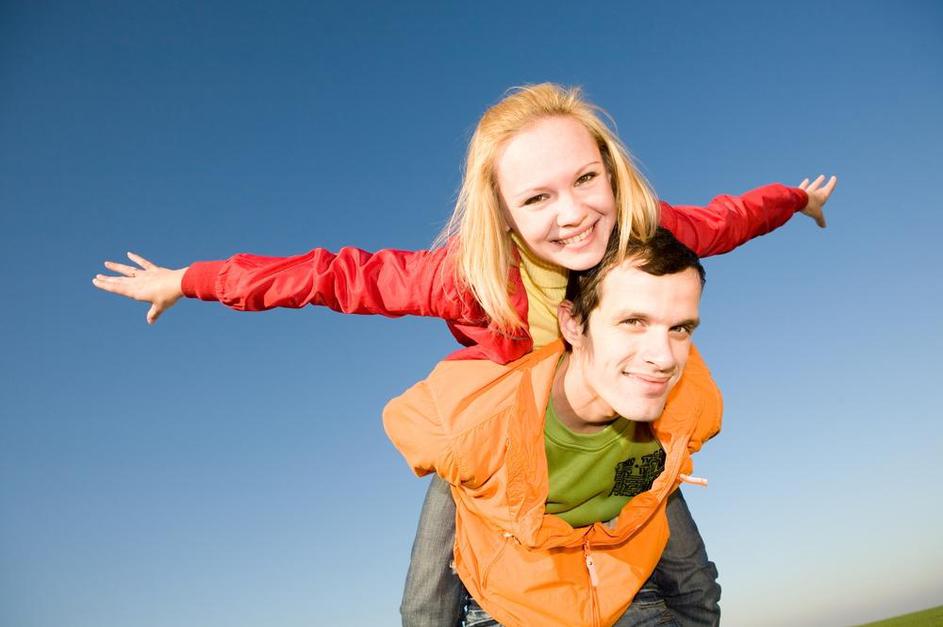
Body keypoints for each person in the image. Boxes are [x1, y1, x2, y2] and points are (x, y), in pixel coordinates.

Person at [91, 84, 837, 625]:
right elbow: (334, 275)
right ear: (503, 213)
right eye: (537, 198)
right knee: (425, 603)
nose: (574, 213)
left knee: (691, 585)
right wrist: (191, 279)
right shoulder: (468, 276)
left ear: (610, 172)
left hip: (616, 435)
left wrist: (794, 201)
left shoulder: (648, 235)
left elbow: (729, 219)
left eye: (585, 179)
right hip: (498, 445)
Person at [384, 227, 716, 627]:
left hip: (636, 601)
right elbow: (426, 600)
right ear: (573, 323)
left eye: (680, 328)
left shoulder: (675, 414)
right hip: (508, 613)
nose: (663, 358)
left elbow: (691, 576)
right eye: (632, 321)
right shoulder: (479, 429)